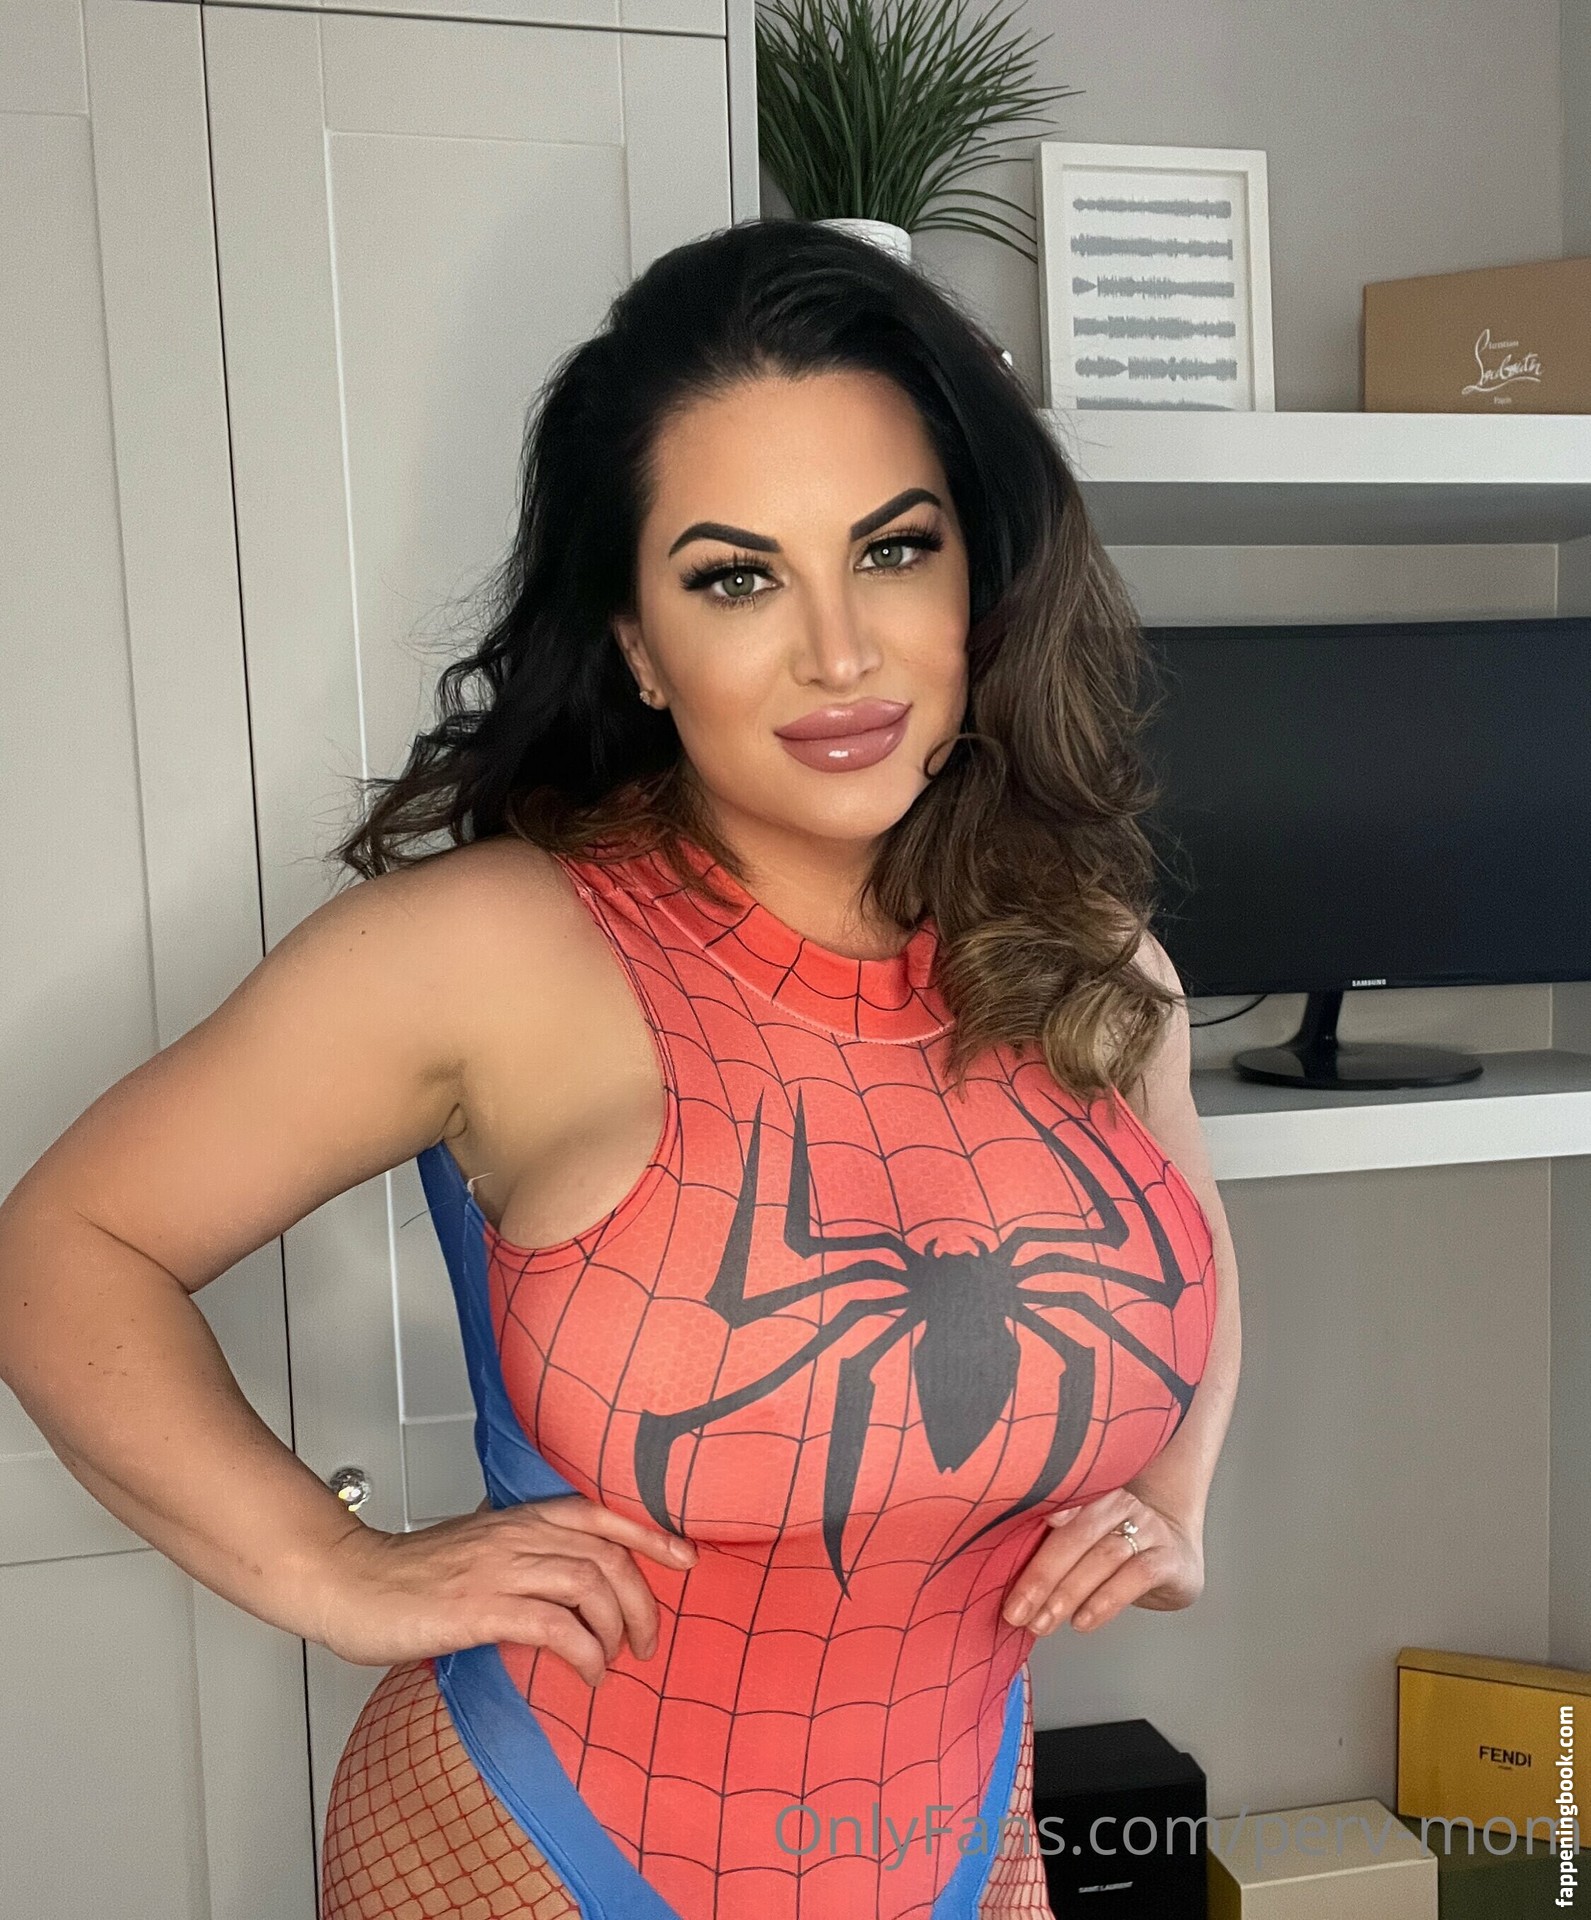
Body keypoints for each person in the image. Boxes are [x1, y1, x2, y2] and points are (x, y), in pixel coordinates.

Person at [0, 217, 1241, 1919]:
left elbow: (1181, 1238)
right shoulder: (494, 950)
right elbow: (67, 1245)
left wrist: (1171, 1495)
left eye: (894, 550)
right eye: (736, 577)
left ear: (983, 576)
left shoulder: (1093, 959)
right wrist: (331, 1568)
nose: (839, 652)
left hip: (965, 1845)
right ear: (640, 643)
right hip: (532, 1850)